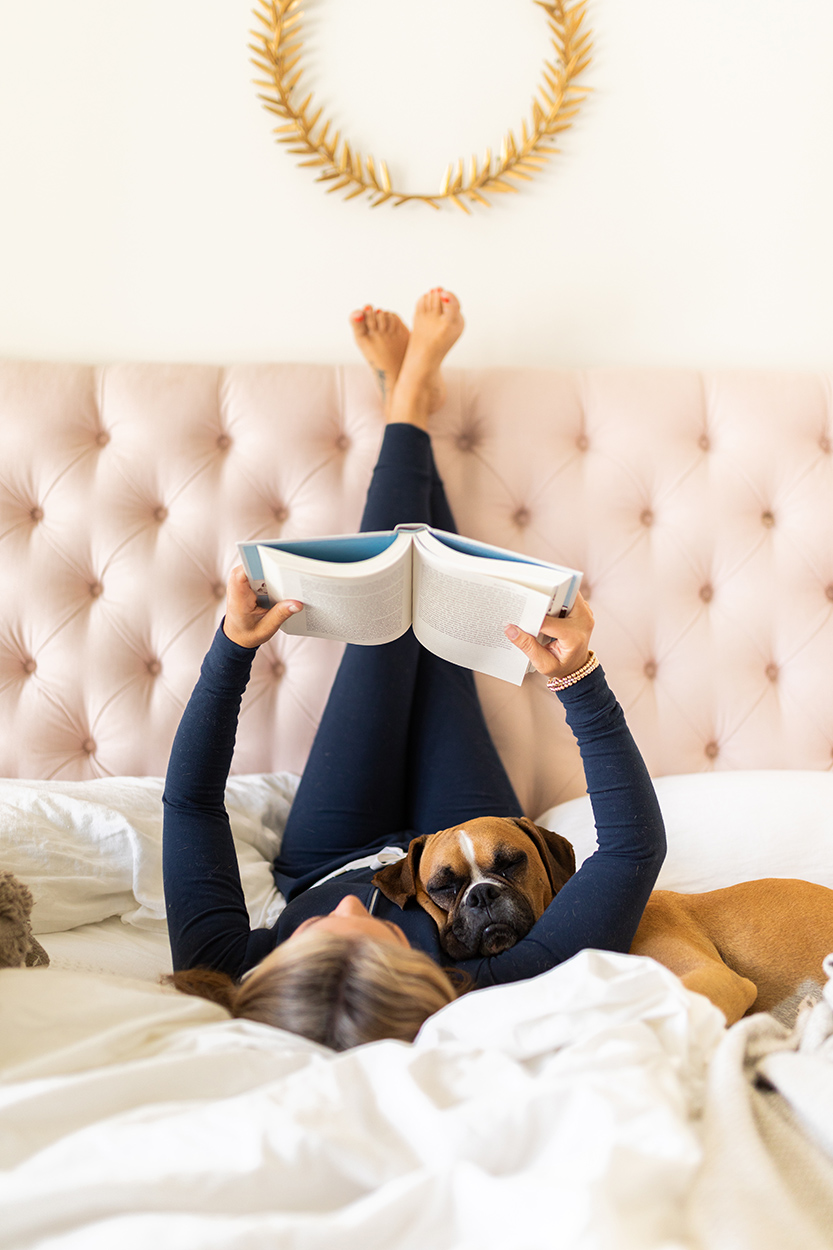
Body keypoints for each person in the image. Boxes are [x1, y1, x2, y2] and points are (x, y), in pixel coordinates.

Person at [162, 288, 666, 1051]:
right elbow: (632, 849)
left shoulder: (226, 963)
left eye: (321, 933)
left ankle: (408, 406)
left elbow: (190, 805)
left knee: (385, 622)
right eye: (386, 938)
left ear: (275, 968)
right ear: (429, 988)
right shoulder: (494, 982)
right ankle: (408, 404)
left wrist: (233, 649)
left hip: (330, 847)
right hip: (460, 819)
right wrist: (577, 679)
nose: (359, 908)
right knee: (432, 621)